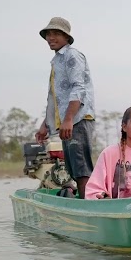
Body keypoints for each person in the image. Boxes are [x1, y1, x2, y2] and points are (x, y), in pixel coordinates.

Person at [35, 17, 95, 199]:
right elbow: (56, 97)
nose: (51, 38)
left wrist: (69, 119)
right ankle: (81, 203)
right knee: (72, 168)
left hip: (77, 119)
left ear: (66, 37)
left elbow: (78, 88)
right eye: (48, 34)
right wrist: (46, 123)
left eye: (56, 34)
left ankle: (88, 207)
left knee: (81, 166)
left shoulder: (72, 56)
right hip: (66, 121)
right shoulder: (56, 61)